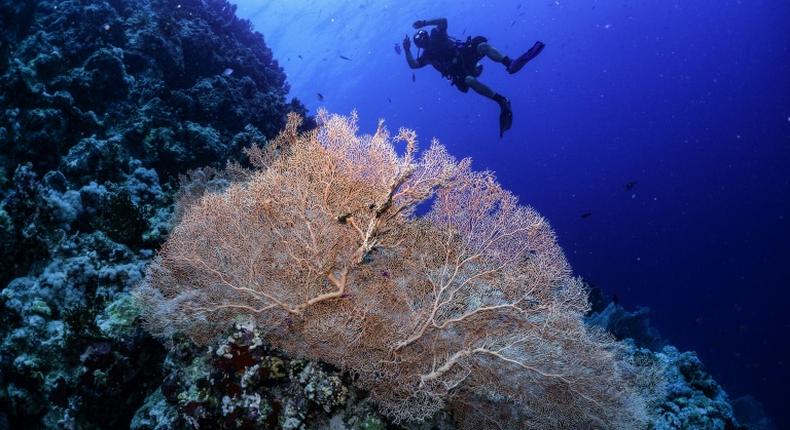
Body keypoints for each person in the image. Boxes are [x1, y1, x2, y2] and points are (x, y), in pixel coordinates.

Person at [403, 18, 545, 137]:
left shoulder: (437, 34)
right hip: (458, 71)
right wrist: (406, 49)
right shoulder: (427, 56)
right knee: (469, 80)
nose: (425, 42)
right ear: (420, 46)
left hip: (464, 54)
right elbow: (413, 65)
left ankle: (509, 63)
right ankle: (501, 101)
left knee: (482, 45)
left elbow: (443, 21)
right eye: (422, 42)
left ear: (427, 36)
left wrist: (424, 22)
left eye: (424, 38)